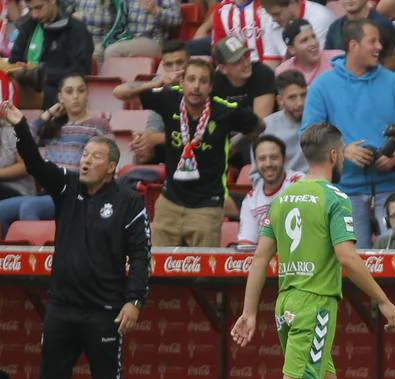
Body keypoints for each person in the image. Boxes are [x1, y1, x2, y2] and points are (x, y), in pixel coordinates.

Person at [230, 122, 395, 379]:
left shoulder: (283, 198)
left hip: (286, 302)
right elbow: (347, 259)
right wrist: (382, 299)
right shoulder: (335, 198)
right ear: (336, 155)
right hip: (315, 306)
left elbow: (260, 257)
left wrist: (250, 312)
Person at [1, 99, 147, 379]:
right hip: (62, 309)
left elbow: (142, 256)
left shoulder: (129, 202)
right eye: (85, 154)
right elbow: (33, 162)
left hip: (104, 311)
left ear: (112, 166)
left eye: (95, 156)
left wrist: (134, 301)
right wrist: (20, 123)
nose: (86, 160)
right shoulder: (65, 187)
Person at [114, 59, 261, 247]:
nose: (196, 86)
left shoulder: (224, 110)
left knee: (204, 275)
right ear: (182, 82)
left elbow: (258, 127)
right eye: (191, 79)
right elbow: (119, 92)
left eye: (203, 81)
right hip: (169, 204)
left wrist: (230, 147)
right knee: (158, 270)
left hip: (207, 207)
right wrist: (156, 82)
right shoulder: (169, 98)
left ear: (210, 87)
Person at [302, 19, 395, 248]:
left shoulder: (393, 82)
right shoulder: (322, 86)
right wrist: (343, 150)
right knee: (353, 261)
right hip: (345, 191)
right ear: (353, 45)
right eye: (372, 41)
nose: (379, 47)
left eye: (379, 42)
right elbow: (308, 135)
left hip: (391, 189)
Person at [0, 74, 109, 234]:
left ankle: (42, 256)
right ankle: (13, 253)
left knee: (30, 207)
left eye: (80, 90)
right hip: (49, 192)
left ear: (87, 94)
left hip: (75, 191)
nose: (75, 96)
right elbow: (23, 135)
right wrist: (48, 114)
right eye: (69, 91)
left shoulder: (97, 125)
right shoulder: (53, 127)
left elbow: (109, 156)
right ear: (60, 97)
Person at [8, 0, 93, 106]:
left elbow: (80, 71)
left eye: (39, 7)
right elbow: (14, 59)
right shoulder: (28, 26)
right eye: (30, 9)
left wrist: (41, 73)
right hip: (24, 88)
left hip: (57, 94)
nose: (34, 15)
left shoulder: (76, 30)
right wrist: (18, 69)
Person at [237, 134, 303, 247]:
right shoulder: (250, 200)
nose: (268, 164)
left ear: (284, 159)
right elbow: (246, 245)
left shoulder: (299, 183)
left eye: (274, 157)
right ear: (256, 163)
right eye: (262, 159)